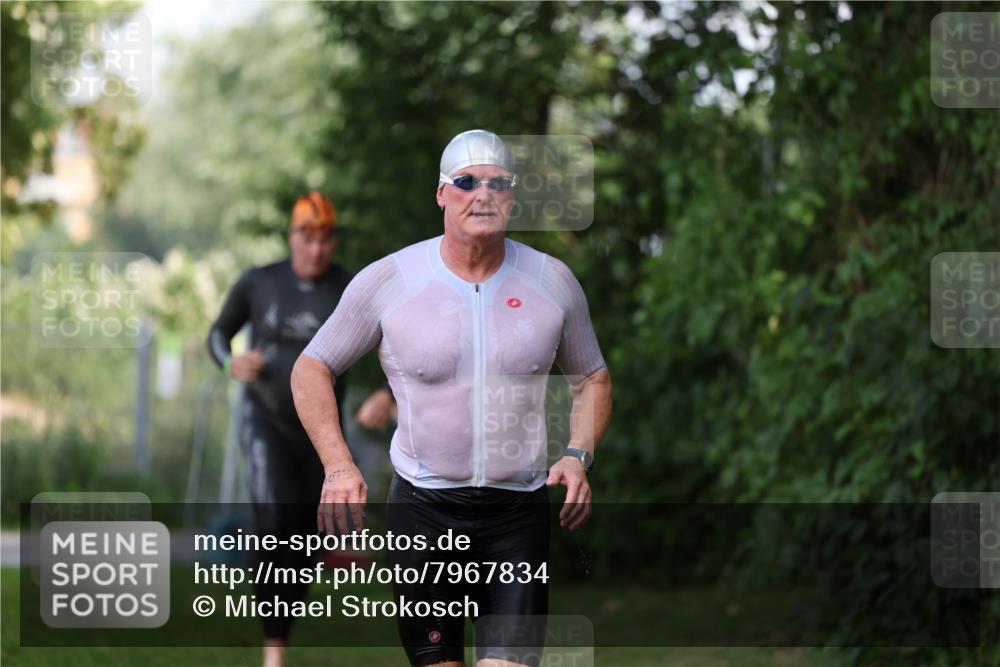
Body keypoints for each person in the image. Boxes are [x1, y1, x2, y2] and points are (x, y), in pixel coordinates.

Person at [291, 130, 613, 667]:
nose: (482, 194)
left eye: (498, 183)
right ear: (442, 194)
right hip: (424, 511)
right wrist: (339, 466)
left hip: (517, 516)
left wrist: (579, 455)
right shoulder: (391, 280)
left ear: (513, 196)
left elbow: (593, 378)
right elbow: (310, 367)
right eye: (466, 182)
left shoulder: (551, 281)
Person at [207, 191, 390, 667]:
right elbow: (217, 334)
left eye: (326, 240)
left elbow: (400, 343)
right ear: (292, 237)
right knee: (272, 525)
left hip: (320, 435)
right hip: (264, 422)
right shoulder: (259, 282)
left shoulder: (350, 289)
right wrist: (231, 362)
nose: (316, 250)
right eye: (307, 239)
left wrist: (388, 394)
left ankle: (281, 628)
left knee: (303, 538)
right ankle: (274, 652)